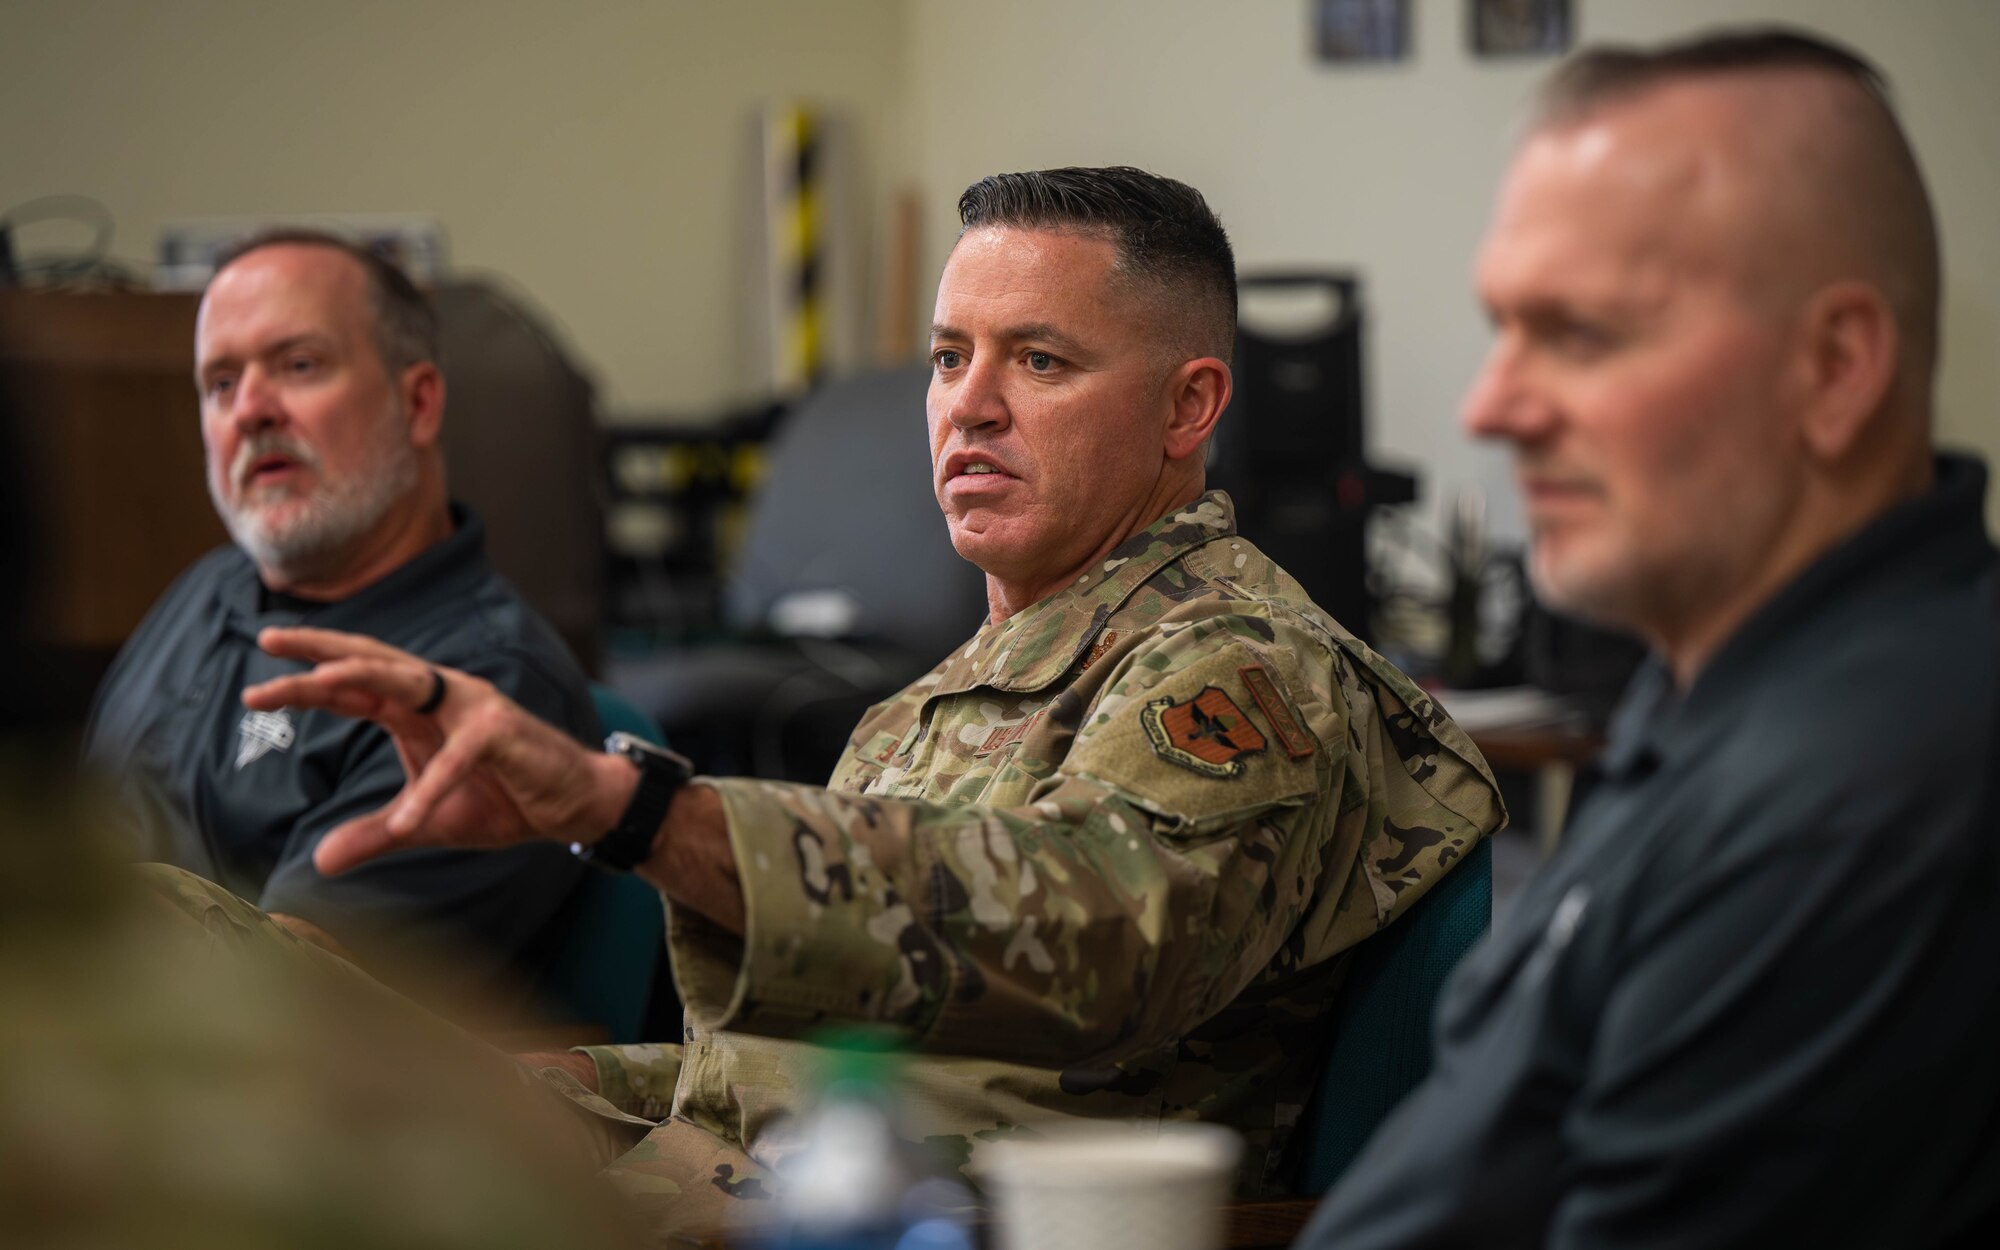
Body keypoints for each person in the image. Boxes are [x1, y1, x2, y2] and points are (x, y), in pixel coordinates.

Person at [235, 167, 1506, 1237]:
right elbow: (780, 1081)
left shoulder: (1239, 665)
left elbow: (1104, 939)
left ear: (1188, 406)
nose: (969, 403)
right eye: (950, 356)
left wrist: (640, 814)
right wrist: (563, 1082)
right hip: (750, 1179)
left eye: (1040, 359)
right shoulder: (933, 699)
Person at [1298, 29, 2000, 1247]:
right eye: (1502, 327)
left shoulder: (1841, 809)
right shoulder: (1733, 698)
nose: (1488, 406)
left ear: (1832, 367)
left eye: (1581, 334)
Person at [83, 231, 599, 1007]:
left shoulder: (483, 687)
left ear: (418, 402)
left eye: (298, 365)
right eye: (221, 383)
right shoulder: (206, 588)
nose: (250, 410)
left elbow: (284, 1006)